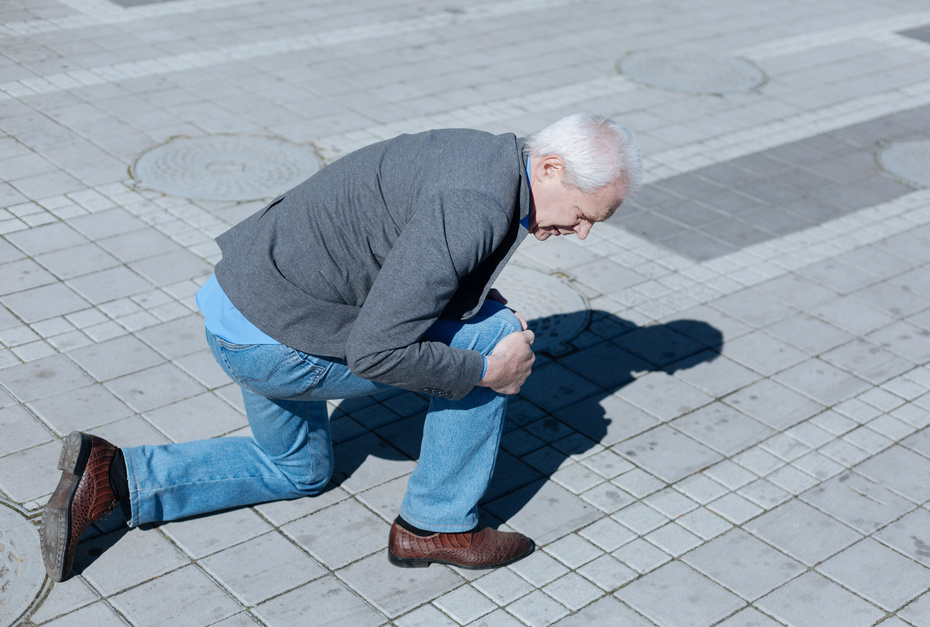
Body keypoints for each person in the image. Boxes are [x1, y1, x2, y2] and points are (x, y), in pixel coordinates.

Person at [39, 113, 642, 582]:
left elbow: (419, 258)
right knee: (494, 343)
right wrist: (489, 369)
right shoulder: (476, 205)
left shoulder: (485, 157)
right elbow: (377, 354)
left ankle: (114, 477)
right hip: (276, 342)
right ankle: (435, 525)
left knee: (300, 470)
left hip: (247, 307)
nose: (583, 233)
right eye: (587, 215)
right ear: (553, 168)